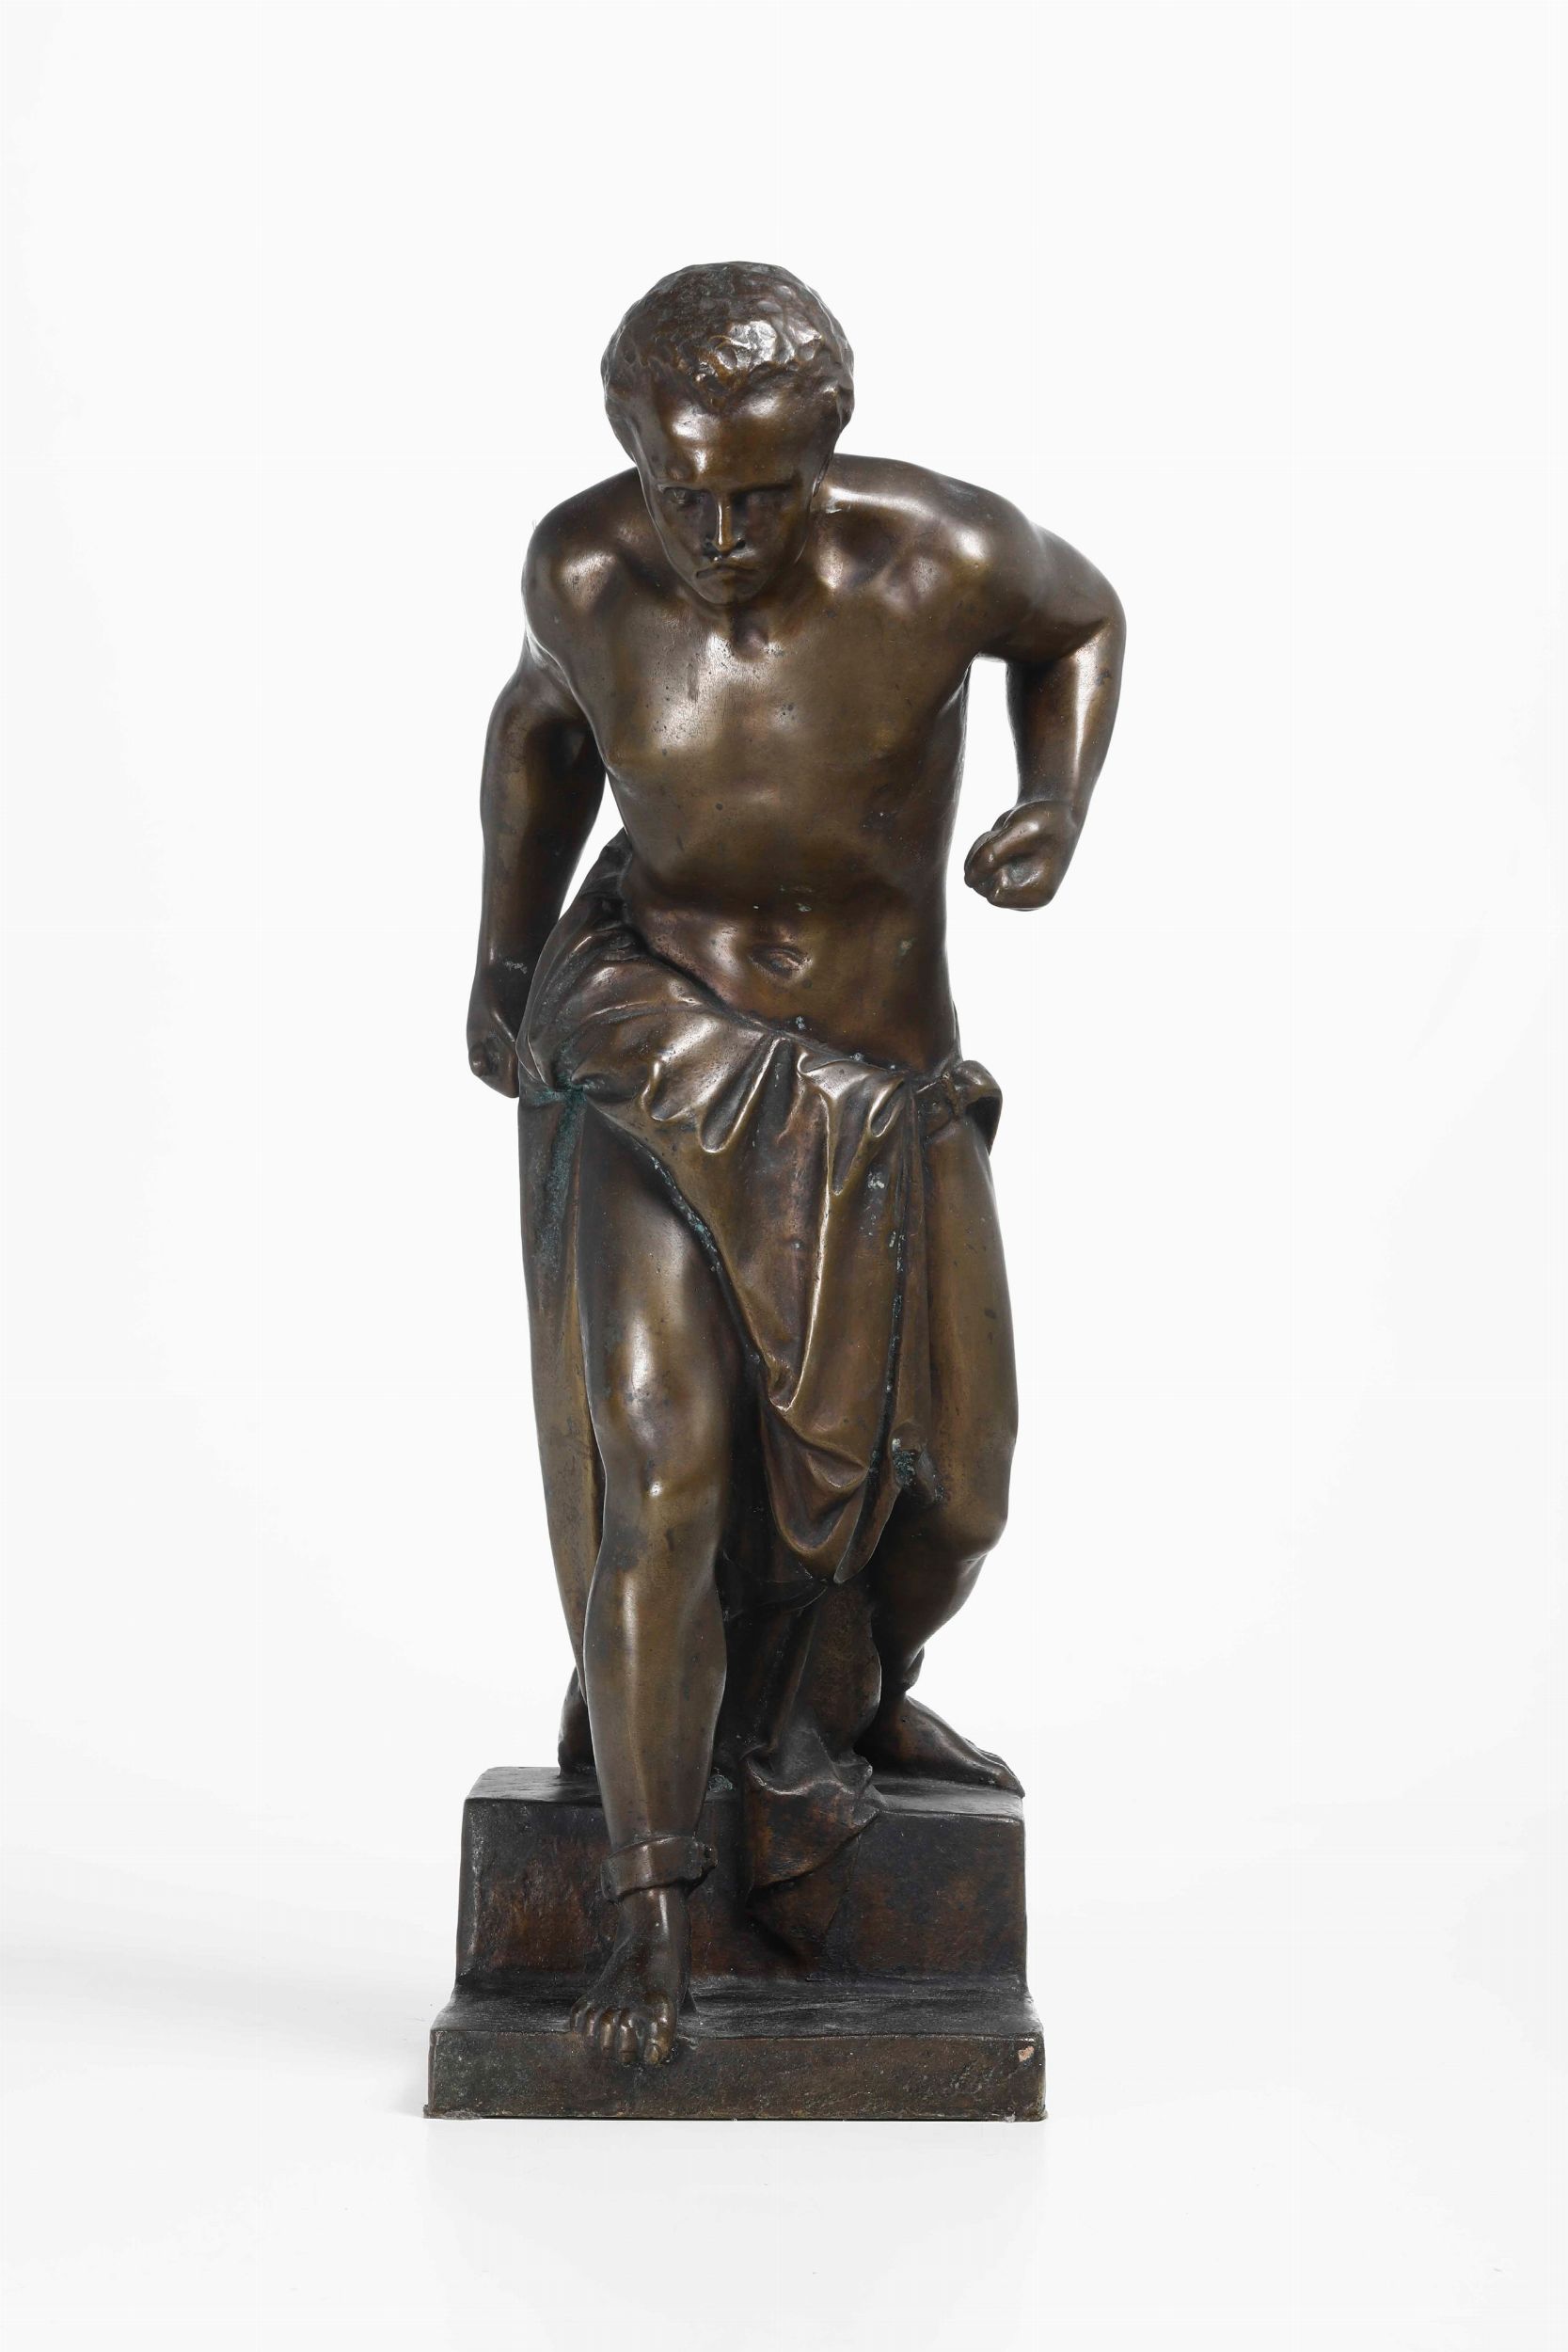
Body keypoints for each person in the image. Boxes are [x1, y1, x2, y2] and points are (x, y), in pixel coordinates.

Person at [467, 262, 1124, 2065]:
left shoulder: (943, 555)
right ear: (633, 450)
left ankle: (836, 1698)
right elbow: (537, 740)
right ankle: (650, 1900)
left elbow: (1082, 620)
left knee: (955, 1494)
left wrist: (1056, 802)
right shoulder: (584, 570)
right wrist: (502, 966)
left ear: (826, 453)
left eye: (757, 495)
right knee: (665, 1470)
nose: (716, 533)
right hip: (655, 1040)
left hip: (879, 1080)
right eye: (681, 488)